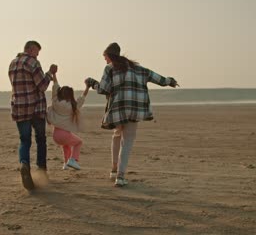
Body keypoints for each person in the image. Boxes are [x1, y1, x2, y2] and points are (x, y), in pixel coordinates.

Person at [85, 42, 179, 187]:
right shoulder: (138, 68)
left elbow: (103, 89)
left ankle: (114, 170)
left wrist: (92, 83)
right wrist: (170, 81)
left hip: (118, 108)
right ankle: (120, 176)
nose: (105, 60)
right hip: (135, 108)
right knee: (127, 141)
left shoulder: (110, 68)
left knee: (117, 135)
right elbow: (156, 78)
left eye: (105, 57)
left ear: (110, 56)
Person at [8, 40, 57, 191]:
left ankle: (24, 163)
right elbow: (42, 85)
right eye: (37, 51)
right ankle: (41, 171)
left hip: (20, 108)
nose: (37, 55)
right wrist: (50, 73)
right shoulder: (33, 63)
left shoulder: (12, 63)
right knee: (40, 140)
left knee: (24, 140)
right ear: (30, 49)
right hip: (36, 108)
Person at [47, 71, 90, 171]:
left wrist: (54, 74)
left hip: (55, 134)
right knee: (78, 142)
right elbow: (82, 98)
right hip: (64, 134)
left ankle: (66, 163)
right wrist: (87, 87)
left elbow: (55, 86)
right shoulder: (73, 106)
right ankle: (73, 160)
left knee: (66, 146)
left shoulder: (55, 102)